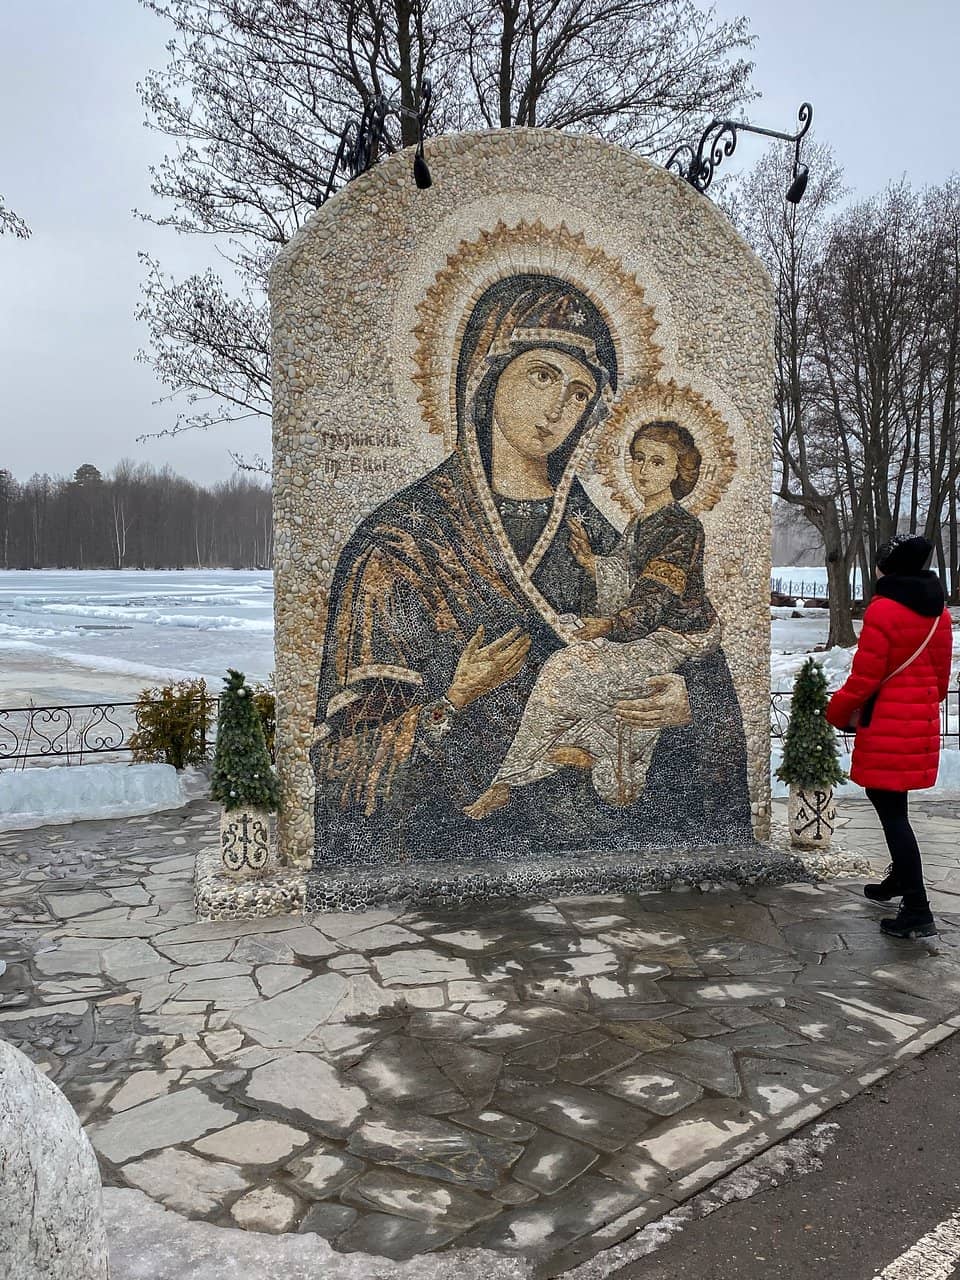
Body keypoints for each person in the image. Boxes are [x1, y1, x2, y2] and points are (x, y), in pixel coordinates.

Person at [311, 273, 754, 863]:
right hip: (465, 855)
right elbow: (345, 761)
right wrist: (453, 700)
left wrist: (686, 706)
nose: (557, 409)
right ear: (488, 378)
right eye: (542, 376)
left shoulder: (597, 534)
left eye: (578, 393)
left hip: (603, 846)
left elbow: (687, 644)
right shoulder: (404, 542)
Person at [465, 420, 720, 816]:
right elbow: (625, 577)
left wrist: (608, 627)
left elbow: (657, 598)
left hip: (677, 636)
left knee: (573, 671)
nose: (643, 470)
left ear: (677, 470)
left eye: (657, 462)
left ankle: (543, 775)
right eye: (638, 459)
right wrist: (591, 563)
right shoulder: (641, 521)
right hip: (643, 631)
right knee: (566, 658)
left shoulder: (682, 527)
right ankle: (556, 764)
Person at [826, 534, 953, 939]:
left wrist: (837, 711)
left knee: (891, 809)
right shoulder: (939, 612)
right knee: (893, 804)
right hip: (917, 722)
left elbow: (865, 677)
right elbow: (940, 678)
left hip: (886, 723)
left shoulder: (884, 611)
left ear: (890, 568)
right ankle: (900, 880)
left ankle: (917, 907)